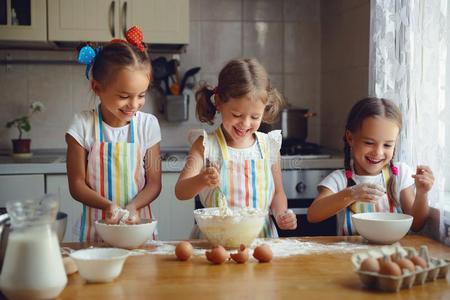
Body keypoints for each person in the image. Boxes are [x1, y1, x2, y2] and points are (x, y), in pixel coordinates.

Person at [175, 58, 297, 238]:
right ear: (218, 102)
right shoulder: (205, 146)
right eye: (237, 114)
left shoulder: (269, 146)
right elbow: (181, 191)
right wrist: (201, 180)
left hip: (261, 239)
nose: (245, 123)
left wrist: (281, 214)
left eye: (255, 117)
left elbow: (278, 193)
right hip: (215, 240)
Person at [66, 26, 162, 242]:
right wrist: (108, 206)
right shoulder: (82, 126)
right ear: (97, 87)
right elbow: (77, 184)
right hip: (96, 233)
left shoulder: (148, 125)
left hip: (138, 231)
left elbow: (154, 182)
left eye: (141, 95)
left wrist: (133, 207)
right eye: (124, 96)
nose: (134, 104)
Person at [307, 97, 434, 235]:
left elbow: (416, 225)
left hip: (392, 255)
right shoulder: (339, 179)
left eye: (387, 145)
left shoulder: (401, 174)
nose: (378, 152)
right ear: (350, 138)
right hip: (349, 254)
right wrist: (351, 194)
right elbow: (313, 215)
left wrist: (422, 193)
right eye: (369, 143)